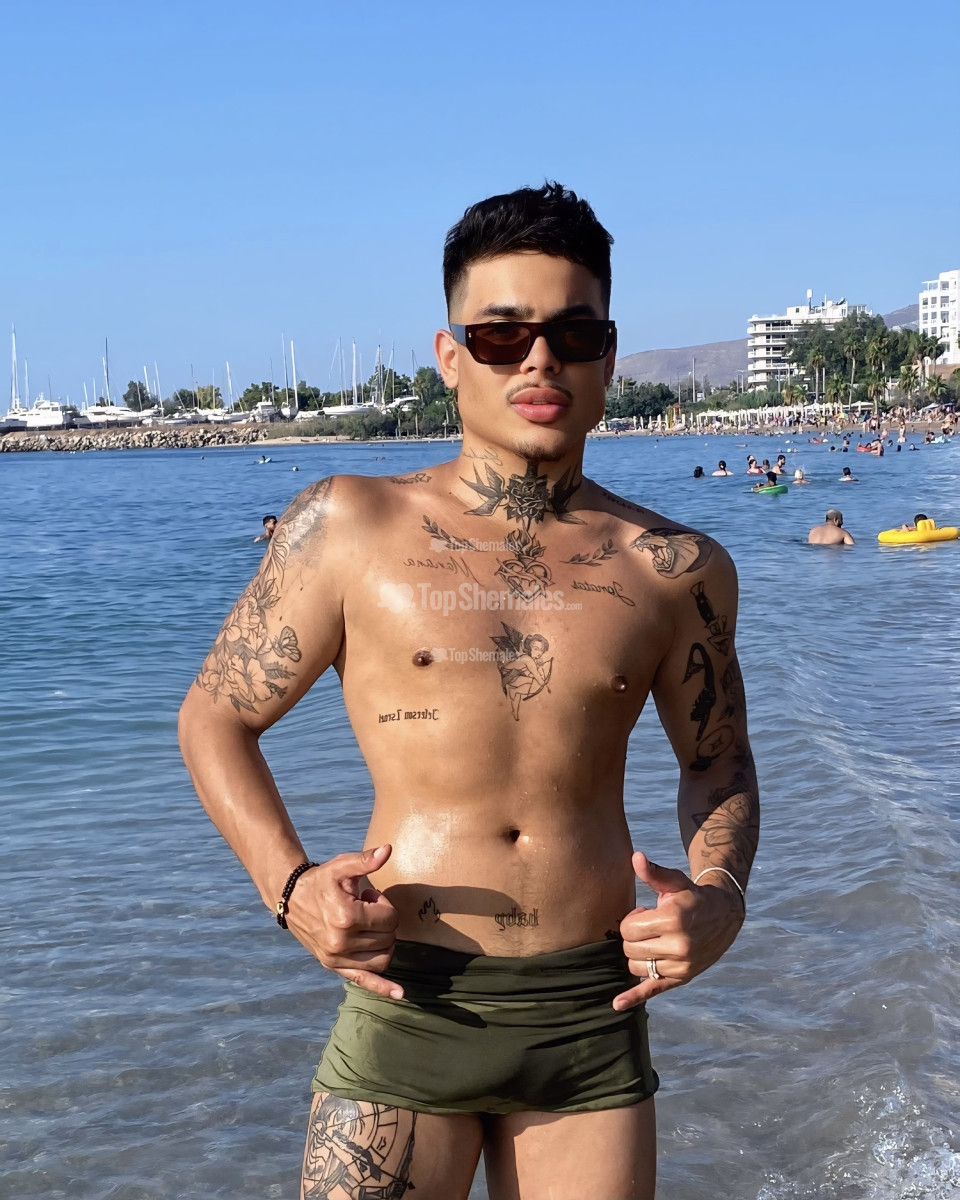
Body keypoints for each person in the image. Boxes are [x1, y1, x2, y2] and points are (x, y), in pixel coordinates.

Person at [178, 182, 759, 1200]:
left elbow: (717, 762)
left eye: (572, 333)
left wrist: (721, 899)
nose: (539, 360)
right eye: (501, 336)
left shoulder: (675, 566)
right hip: (408, 997)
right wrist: (291, 889)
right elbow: (216, 717)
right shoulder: (349, 525)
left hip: (589, 1011)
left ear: (608, 355)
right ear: (451, 358)